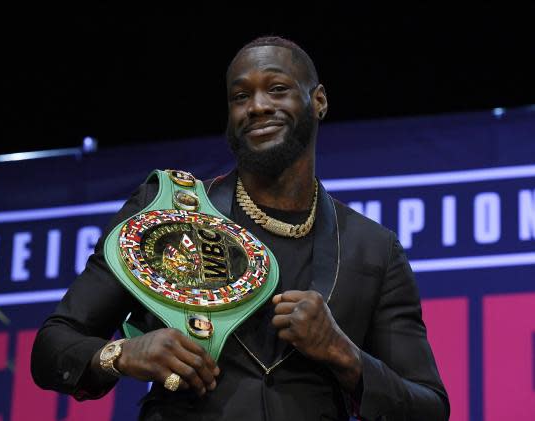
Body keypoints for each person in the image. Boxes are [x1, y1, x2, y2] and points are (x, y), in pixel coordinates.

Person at [31, 36, 450, 420]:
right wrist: (122, 353)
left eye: (278, 89)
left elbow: (429, 407)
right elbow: (52, 346)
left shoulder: (373, 249)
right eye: (240, 96)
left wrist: (342, 353)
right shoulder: (165, 212)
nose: (258, 106)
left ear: (318, 101)